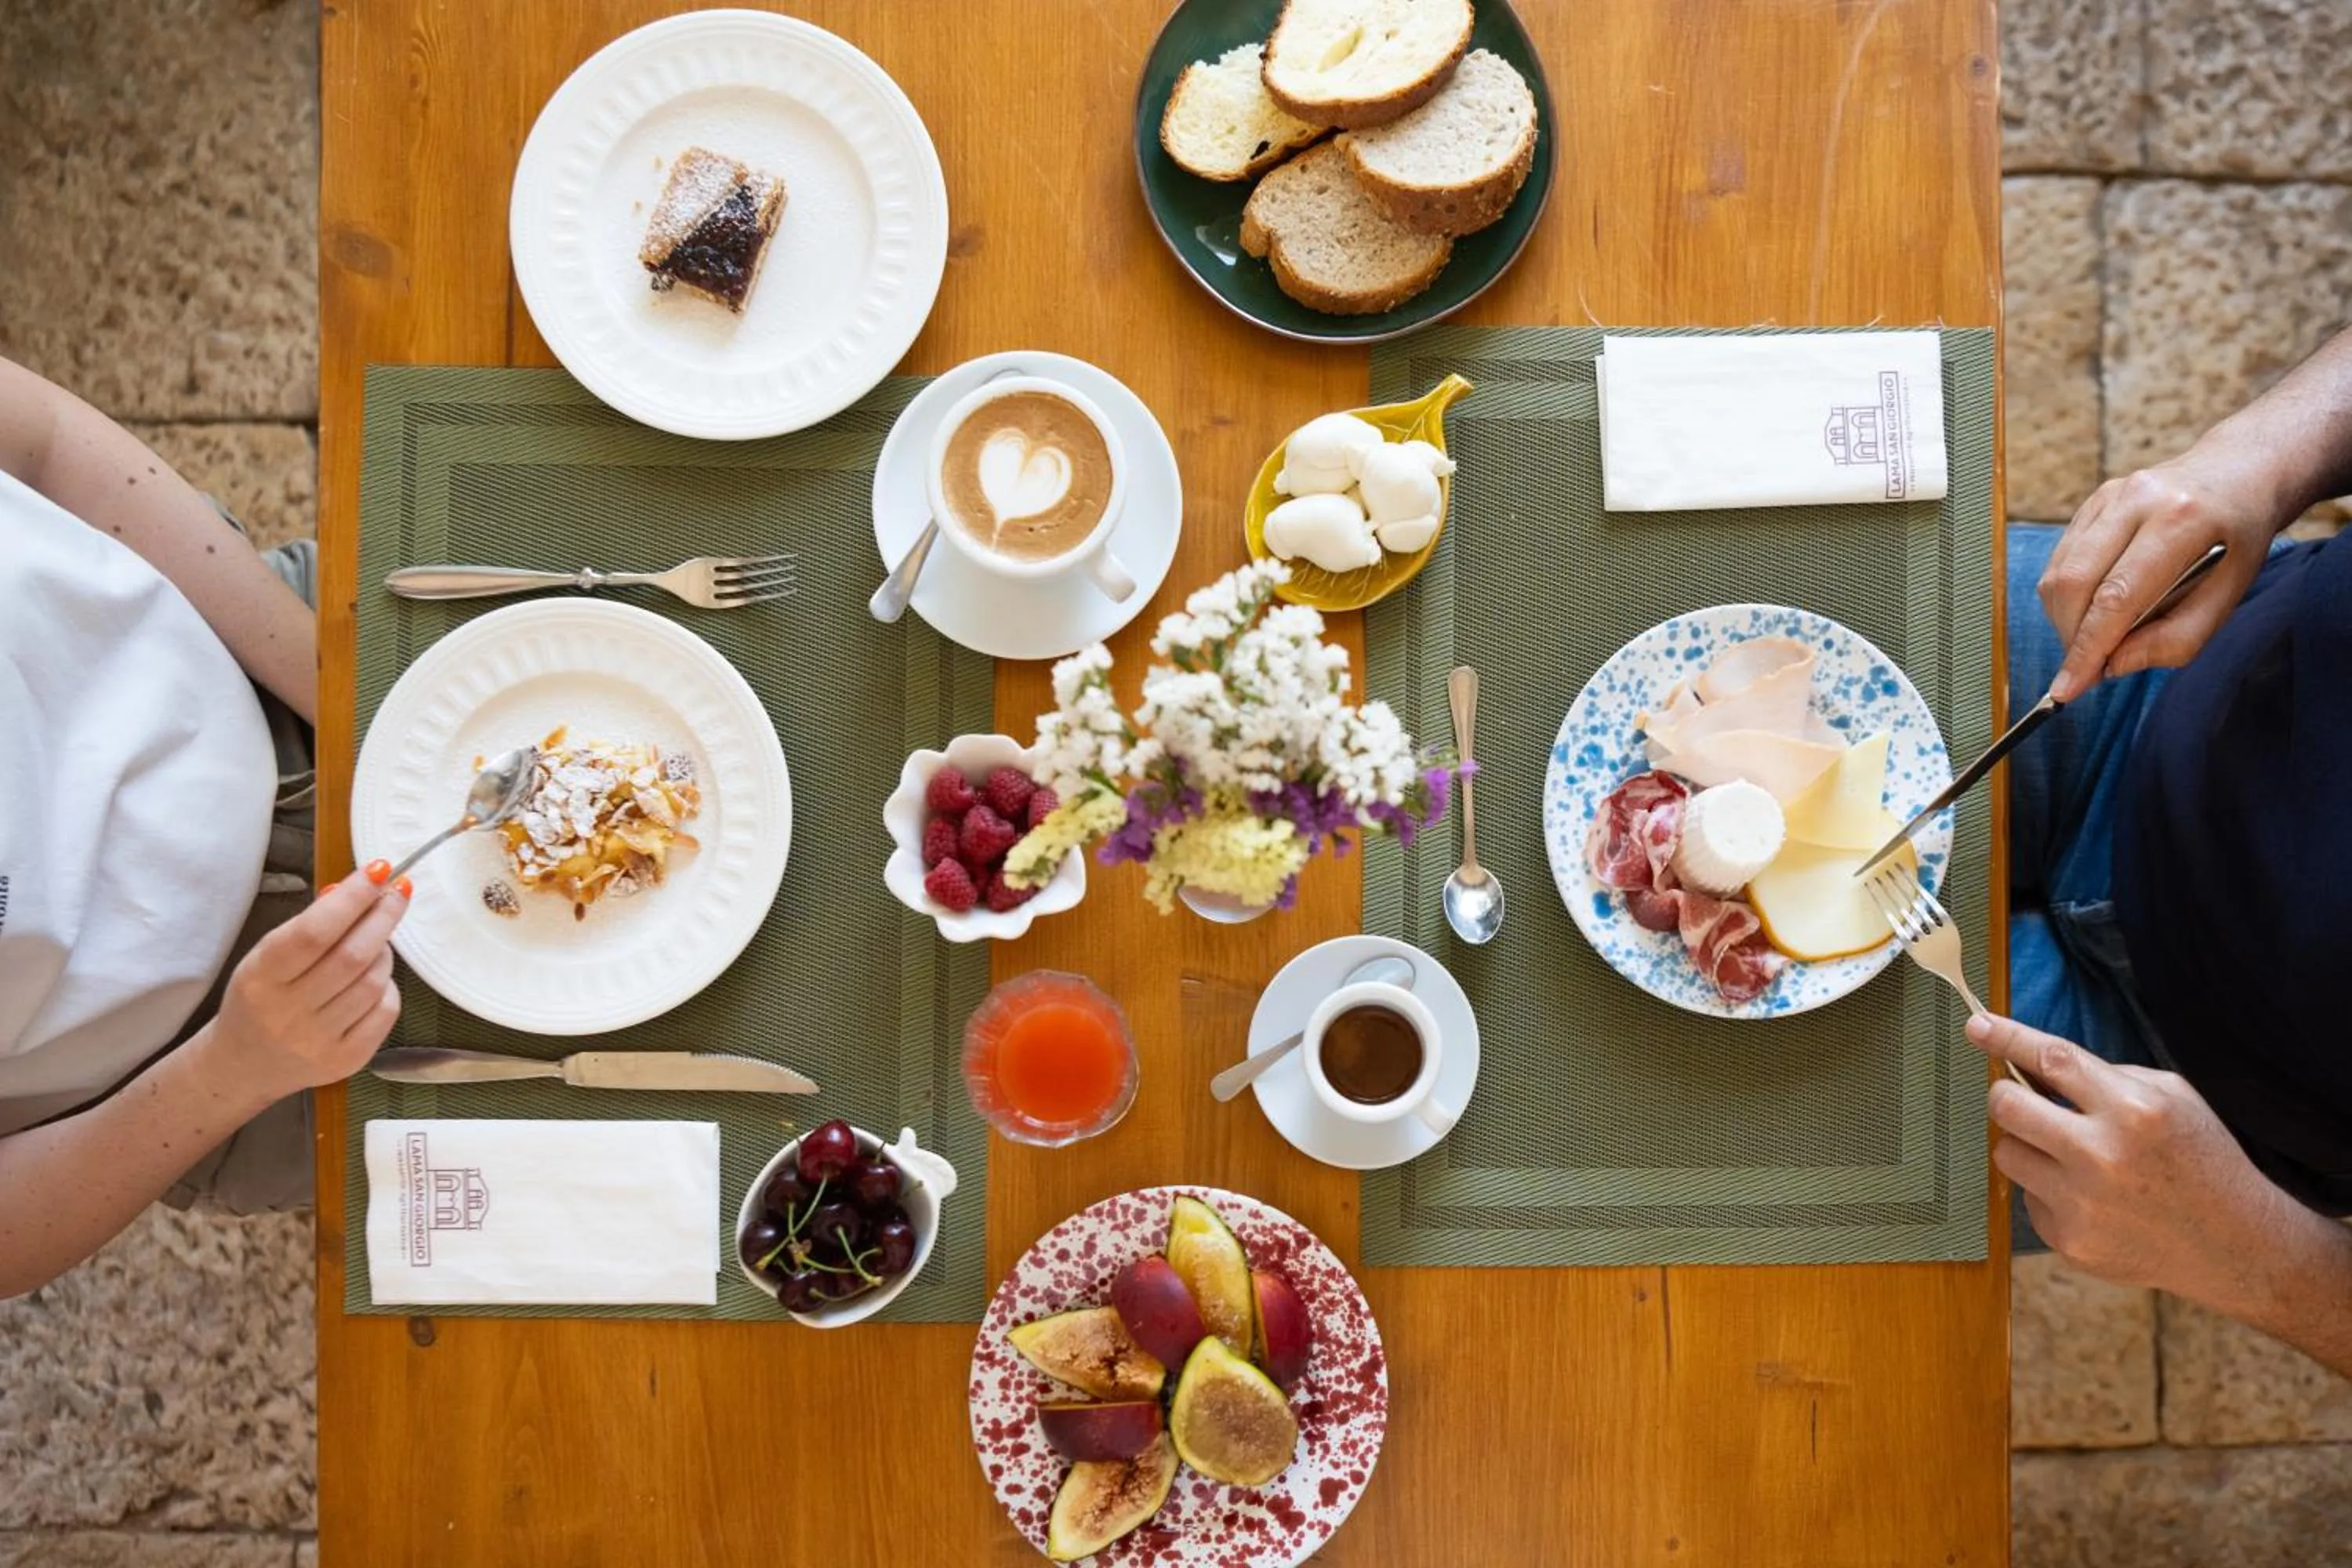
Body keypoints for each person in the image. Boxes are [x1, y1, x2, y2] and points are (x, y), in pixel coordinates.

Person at [0, 356, 409, 1298]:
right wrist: (233, 1069)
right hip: (204, 1058)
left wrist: (333, 690)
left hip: (253, 652)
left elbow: (44, 444)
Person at [1985, 325, 2352, 1375]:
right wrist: (2262, 454)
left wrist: (2269, 1266)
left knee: (1704, 1121)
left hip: (2188, 1107)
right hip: (2164, 667)